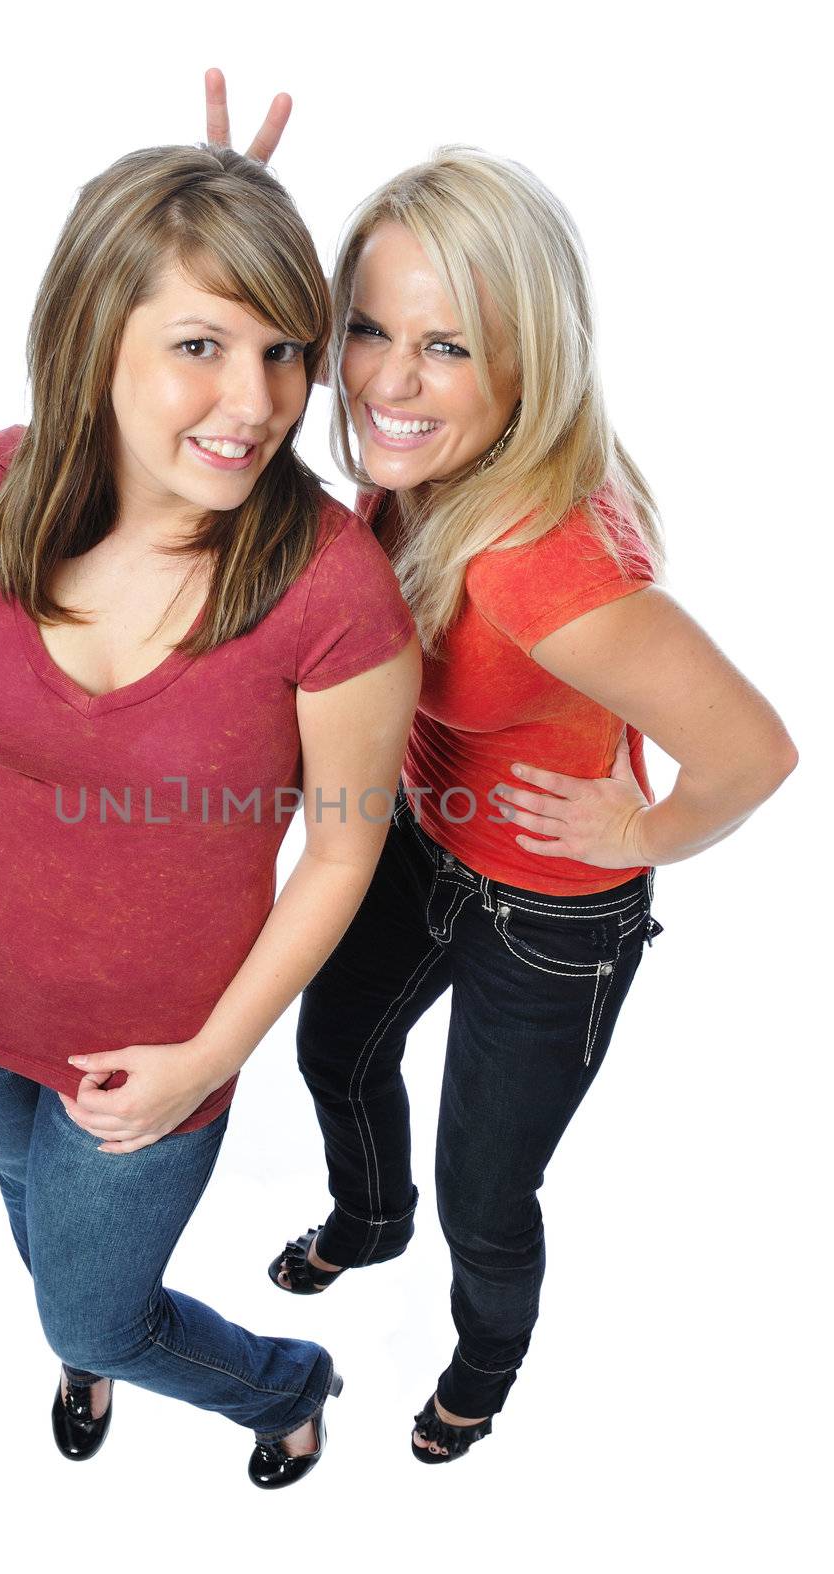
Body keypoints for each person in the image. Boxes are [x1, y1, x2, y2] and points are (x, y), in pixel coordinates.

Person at [198, 78, 800, 1463]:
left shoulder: (543, 571)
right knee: (339, 1045)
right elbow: (239, 385)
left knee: (489, 1192)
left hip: (554, 911)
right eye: (368, 330)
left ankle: (484, 1356)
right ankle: (365, 1218)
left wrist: (644, 829)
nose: (388, 383)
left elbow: (757, 750)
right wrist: (214, 216)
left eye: (449, 348)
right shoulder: (416, 462)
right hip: (424, 834)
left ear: (525, 364)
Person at [0, 142, 421, 1489]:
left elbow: (342, 849)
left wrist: (208, 1058)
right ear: (94, 332)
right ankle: (86, 1320)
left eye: (286, 353)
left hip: (147, 1060)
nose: (255, 402)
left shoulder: (333, 594)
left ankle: (280, 1384)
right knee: (37, 1205)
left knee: (89, 1305)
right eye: (202, 345)